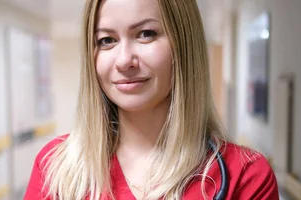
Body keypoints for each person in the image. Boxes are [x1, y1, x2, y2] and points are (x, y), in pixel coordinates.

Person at [24, 0, 279, 199]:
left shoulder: (245, 176)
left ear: (183, 43)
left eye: (146, 34)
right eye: (107, 40)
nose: (124, 60)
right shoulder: (56, 168)